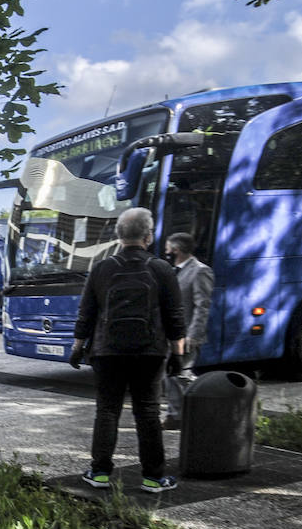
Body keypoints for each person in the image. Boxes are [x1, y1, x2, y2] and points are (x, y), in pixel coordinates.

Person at [68, 207, 186, 493]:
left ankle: (99, 473)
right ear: (148, 236)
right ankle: (154, 478)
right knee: (147, 412)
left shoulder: (101, 268)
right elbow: (175, 316)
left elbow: (86, 313)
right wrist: (178, 354)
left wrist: (77, 346)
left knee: (107, 410)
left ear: (119, 236)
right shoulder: (161, 268)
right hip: (150, 352)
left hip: (107, 351)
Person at [162, 233, 214, 430]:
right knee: (171, 376)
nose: (166, 252)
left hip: (187, 335)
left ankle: (207, 406)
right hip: (171, 333)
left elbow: (202, 306)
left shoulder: (200, 271)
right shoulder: (175, 270)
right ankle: (175, 416)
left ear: (176, 250)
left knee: (182, 375)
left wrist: (194, 335)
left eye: (168, 248)